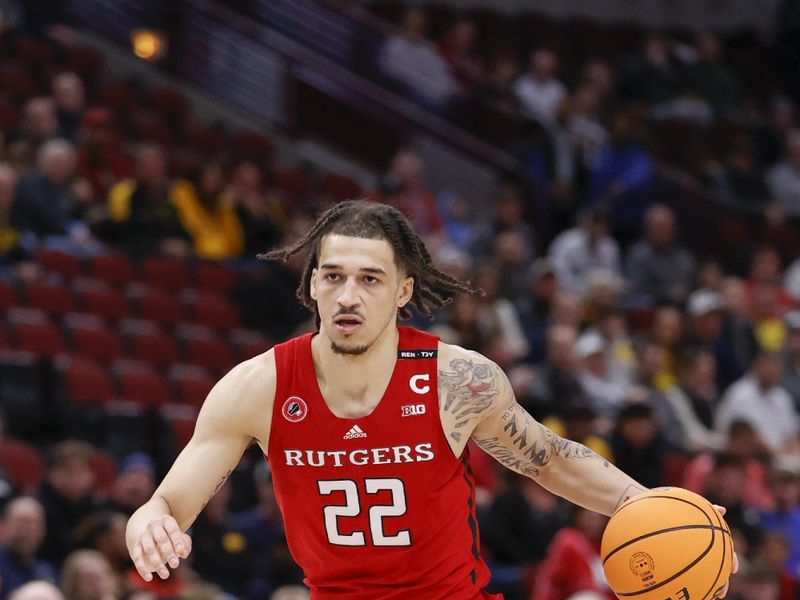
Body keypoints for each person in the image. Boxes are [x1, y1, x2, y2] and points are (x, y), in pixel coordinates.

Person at [125, 200, 735, 599]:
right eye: (333, 276)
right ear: (311, 284)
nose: (348, 296)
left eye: (370, 279)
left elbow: (546, 457)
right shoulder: (255, 387)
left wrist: (658, 507)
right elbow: (168, 504)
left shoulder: (456, 380)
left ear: (403, 291)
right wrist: (150, 523)